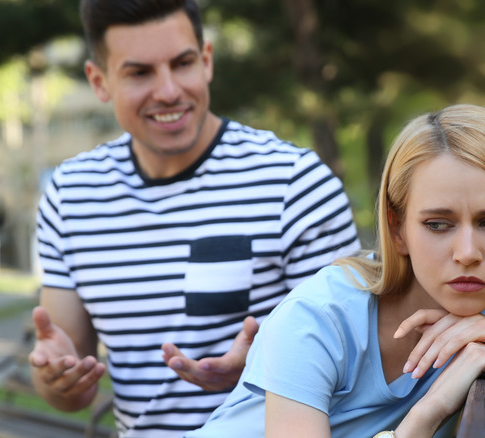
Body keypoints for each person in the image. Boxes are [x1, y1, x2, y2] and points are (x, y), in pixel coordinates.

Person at [186, 104, 485, 438]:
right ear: (398, 231)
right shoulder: (320, 318)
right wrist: (424, 415)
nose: (468, 252)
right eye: (438, 225)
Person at [28, 0, 360, 436]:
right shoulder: (70, 196)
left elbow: (360, 362)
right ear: (99, 81)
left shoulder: (295, 183)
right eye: (139, 72)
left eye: (182, 63)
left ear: (206, 61)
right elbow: (71, 390)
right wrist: (56, 377)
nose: (168, 90)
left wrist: (267, 370)